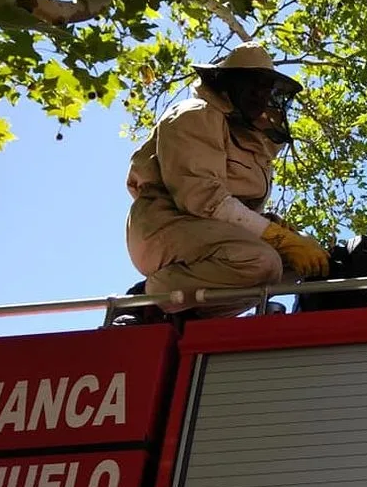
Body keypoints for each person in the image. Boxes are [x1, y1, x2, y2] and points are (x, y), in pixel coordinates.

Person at [118, 42, 330, 323]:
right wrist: (280, 238)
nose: (260, 95)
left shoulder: (249, 137)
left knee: (305, 261)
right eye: (252, 85)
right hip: (164, 225)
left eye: (266, 87)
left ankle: (192, 315)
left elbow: (233, 209)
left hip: (209, 232)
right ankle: (149, 299)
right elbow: (203, 199)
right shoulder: (195, 114)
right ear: (228, 84)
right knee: (261, 261)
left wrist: (276, 227)